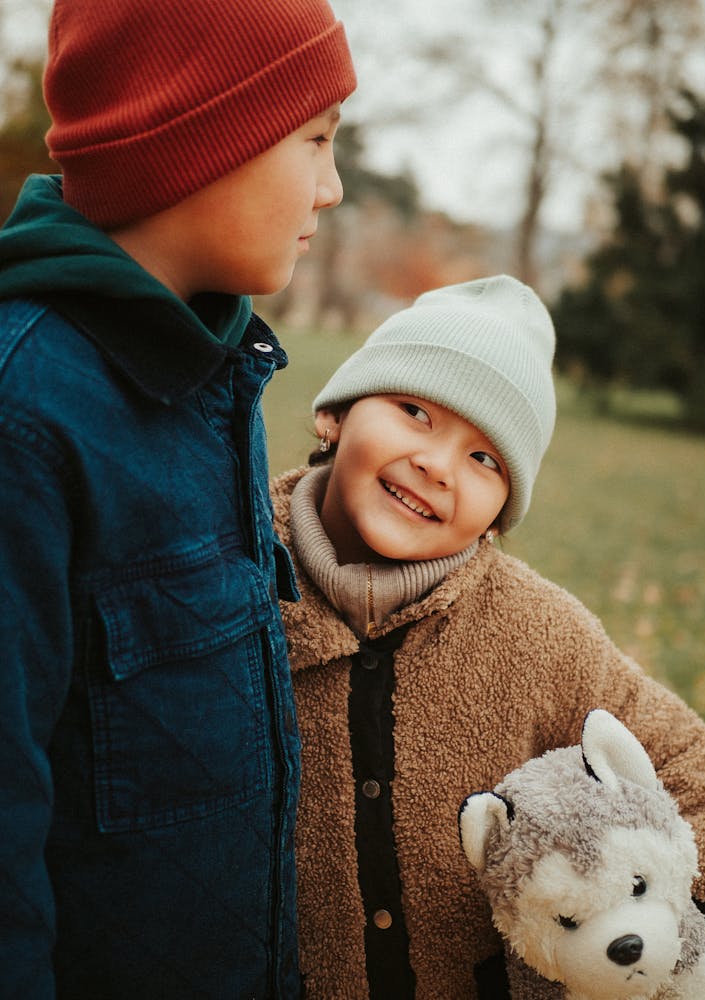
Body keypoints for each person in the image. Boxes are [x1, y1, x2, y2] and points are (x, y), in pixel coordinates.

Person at [0, 0, 355, 996]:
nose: (331, 189)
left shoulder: (218, 369)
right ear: (195, 138)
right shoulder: (26, 416)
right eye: (316, 141)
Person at [270, 274, 705, 999]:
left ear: (500, 512)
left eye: (484, 459)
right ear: (334, 413)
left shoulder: (537, 633)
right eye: (414, 411)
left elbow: (681, 764)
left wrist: (668, 941)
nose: (437, 465)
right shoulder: (227, 577)